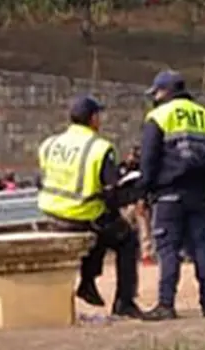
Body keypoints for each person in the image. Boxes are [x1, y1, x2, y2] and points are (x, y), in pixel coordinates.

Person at [37, 94, 144, 319]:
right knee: (126, 238)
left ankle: (88, 282)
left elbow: (44, 178)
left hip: (50, 213)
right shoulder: (100, 147)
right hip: (81, 213)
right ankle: (123, 302)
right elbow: (111, 187)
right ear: (93, 118)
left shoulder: (50, 143)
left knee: (106, 225)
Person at [140, 70, 205, 321]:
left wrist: (144, 191)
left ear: (164, 92)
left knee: (168, 249)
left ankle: (166, 304)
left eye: (155, 93)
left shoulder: (158, 116)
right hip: (200, 195)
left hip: (168, 194)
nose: (154, 98)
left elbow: (149, 159)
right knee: (202, 248)